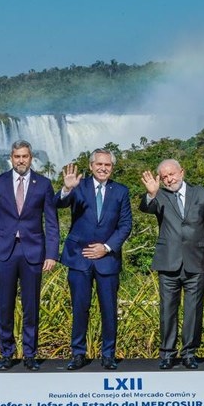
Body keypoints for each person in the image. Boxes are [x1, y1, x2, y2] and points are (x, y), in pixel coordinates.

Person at [0, 140, 59, 371]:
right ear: (11, 158)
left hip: (33, 251)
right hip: (5, 251)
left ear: (31, 158)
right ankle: (7, 353)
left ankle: (30, 354)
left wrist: (51, 253)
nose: (21, 160)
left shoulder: (43, 184)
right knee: (5, 305)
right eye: (17, 156)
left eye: (25, 156)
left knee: (31, 305)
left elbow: (51, 222)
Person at [139, 159, 204, 370]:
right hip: (168, 262)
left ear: (182, 172)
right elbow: (146, 208)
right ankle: (167, 354)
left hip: (198, 260)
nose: (169, 179)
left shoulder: (201, 193)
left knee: (194, 310)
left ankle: (189, 353)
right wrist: (152, 193)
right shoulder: (160, 195)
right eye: (164, 177)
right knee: (167, 310)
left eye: (172, 174)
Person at [55, 149, 133, 371]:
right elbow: (58, 203)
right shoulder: (78, 186)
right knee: (80, 308)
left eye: (107, 165)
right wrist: (66, 188)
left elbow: (125, 224)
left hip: (107, 259)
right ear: (90, 166)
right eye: (99, 164)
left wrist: (106, 248)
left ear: (112, 167)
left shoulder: (120, 191)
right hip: (79, 259)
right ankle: (78, 353)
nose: (103, 168)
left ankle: (108, 354)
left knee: (109, 309)